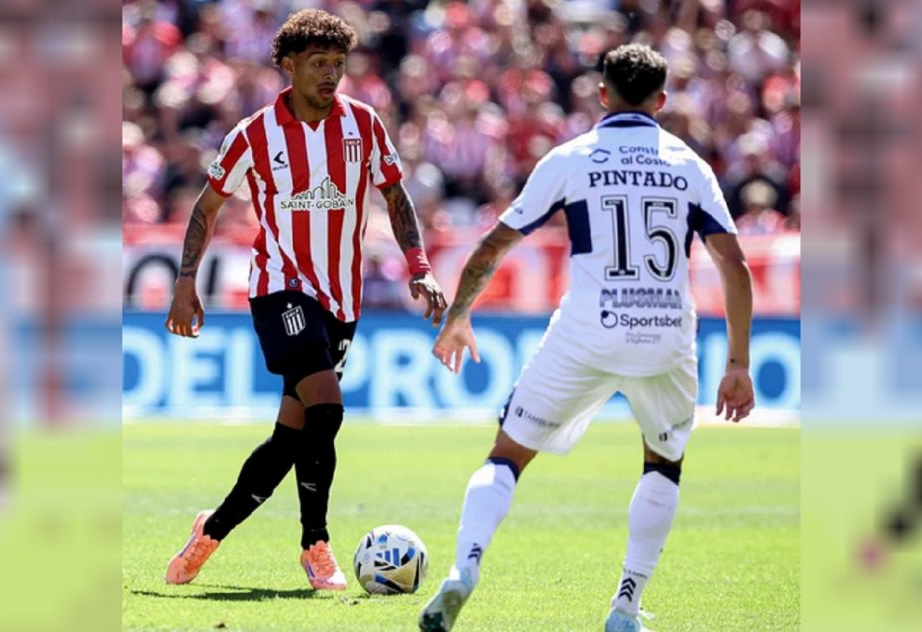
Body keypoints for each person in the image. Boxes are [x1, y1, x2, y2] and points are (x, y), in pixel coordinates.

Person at [419, 44, 755, 632]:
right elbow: (733, 265)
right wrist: (738, 362)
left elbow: (494, 244)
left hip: (586, 333)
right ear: (661, 101)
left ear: (601, 94)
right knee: (662, 465)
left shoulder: (571, 159)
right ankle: (625, 606)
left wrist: (458, 315)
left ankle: (465, 567)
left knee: (506, 456)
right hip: (665, 336)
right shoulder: (689, 166)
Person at [163, 9, 446, 591]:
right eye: (318, 63)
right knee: (327, 406)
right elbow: (206, 208)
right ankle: (316, 544)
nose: (330, 74)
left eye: (338, 64)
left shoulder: (363, 125)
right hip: (280, 287)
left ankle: (209, 532)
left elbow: (396, 197)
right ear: (288, 65)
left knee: (292, 437)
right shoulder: (253, 134)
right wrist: (185, 283)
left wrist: (420, 267)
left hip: (342, 298)